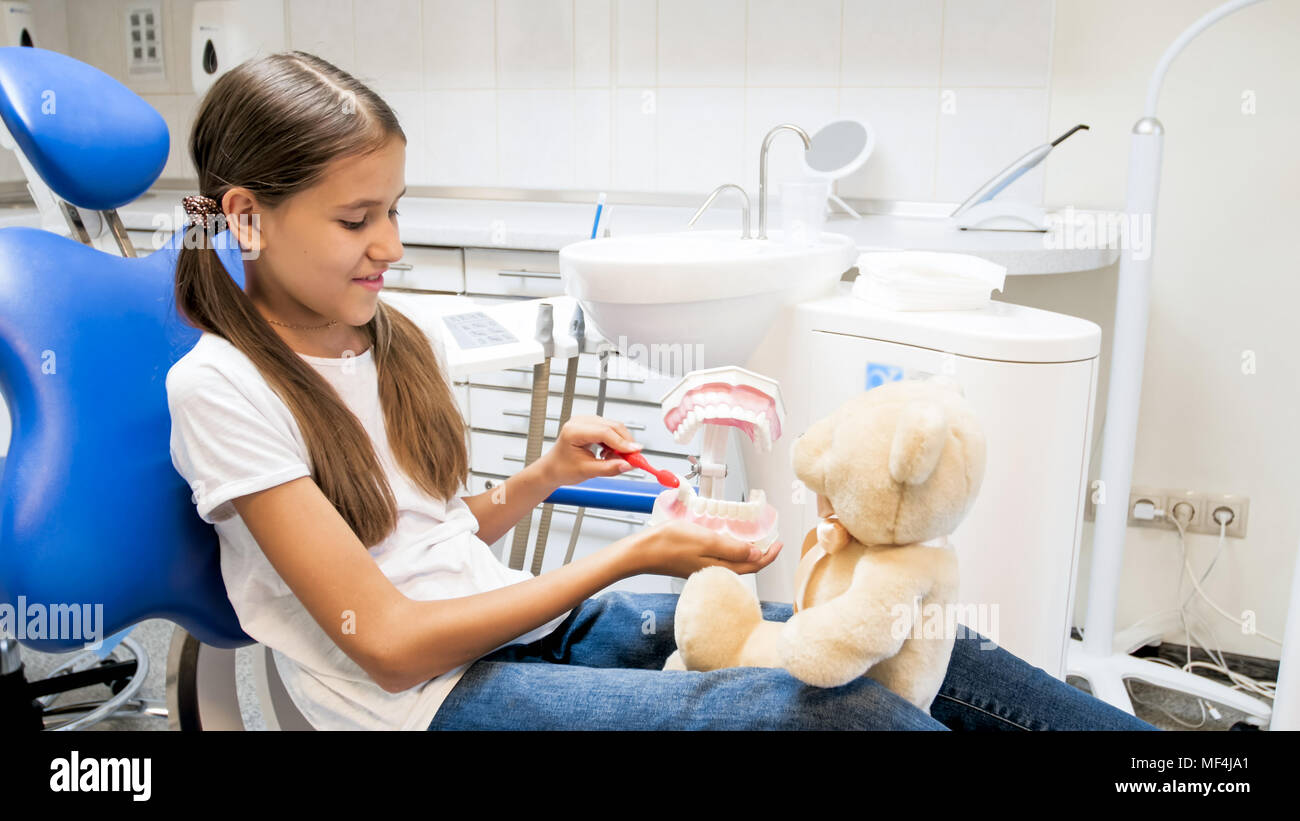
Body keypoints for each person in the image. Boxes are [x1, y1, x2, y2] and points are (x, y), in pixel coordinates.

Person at [167, 51, 1158, 732]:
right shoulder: (221, 388)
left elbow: (418, 537)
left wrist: (542, 480)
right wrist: (631, 555)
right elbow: (382, 637)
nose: (388, 243)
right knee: (832, 715)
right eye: (355, 219)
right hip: (425, 701)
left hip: (519, 625)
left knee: (909, 636)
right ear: (247, 219)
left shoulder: (386, 335)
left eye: (395, 209)